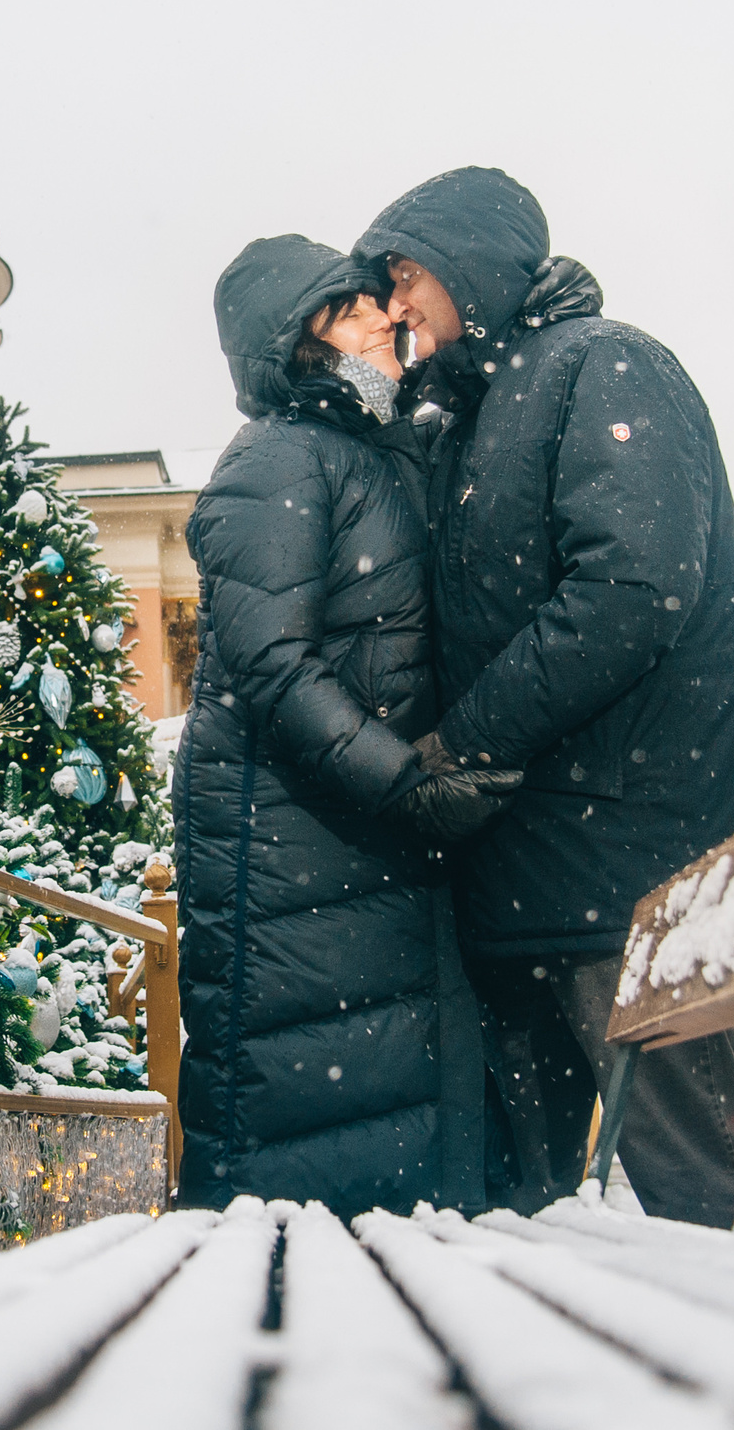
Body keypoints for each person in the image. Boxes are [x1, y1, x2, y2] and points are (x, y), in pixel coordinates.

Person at [357, 167, 734, 1230]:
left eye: (408, 272)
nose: (395, 301)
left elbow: (631, 590)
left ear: (472, 261)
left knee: (703, 1187)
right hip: (536, 875)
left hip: (637, 863)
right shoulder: (471, 414)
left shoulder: (604, 365)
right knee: (541, 1215)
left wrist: (465, 742)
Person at [173, 234, 519, 1216]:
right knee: (297, 1145)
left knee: (376, 1126)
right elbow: (271, 663)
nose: (381, 314)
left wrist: (530, 312)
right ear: (295, 340)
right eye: (348, 306)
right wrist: (401, 781)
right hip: (291, 847)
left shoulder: (374, 446)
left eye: (375, 298)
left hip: (353, 839)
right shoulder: (278, 457)